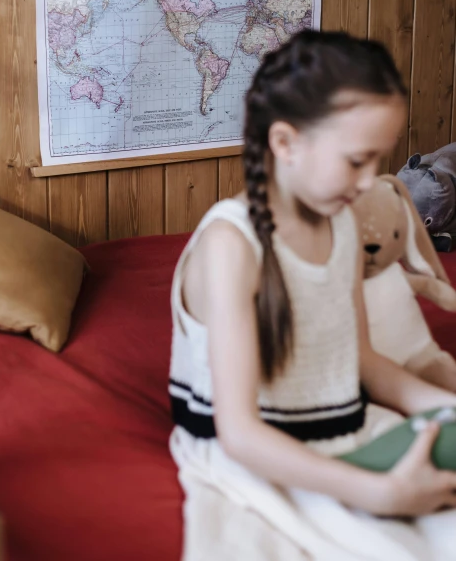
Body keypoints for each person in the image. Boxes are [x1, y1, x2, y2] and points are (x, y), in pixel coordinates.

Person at [168, 30, 456, 561]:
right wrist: (377, 494)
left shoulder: (342, 222)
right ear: (285, 143)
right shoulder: (230, 242)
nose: (372, 180)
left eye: (379, 161)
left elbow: (361, 359)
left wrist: (443, 406)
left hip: (347, 428)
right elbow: (239, 434)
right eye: (356, 161)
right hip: (267, 456)